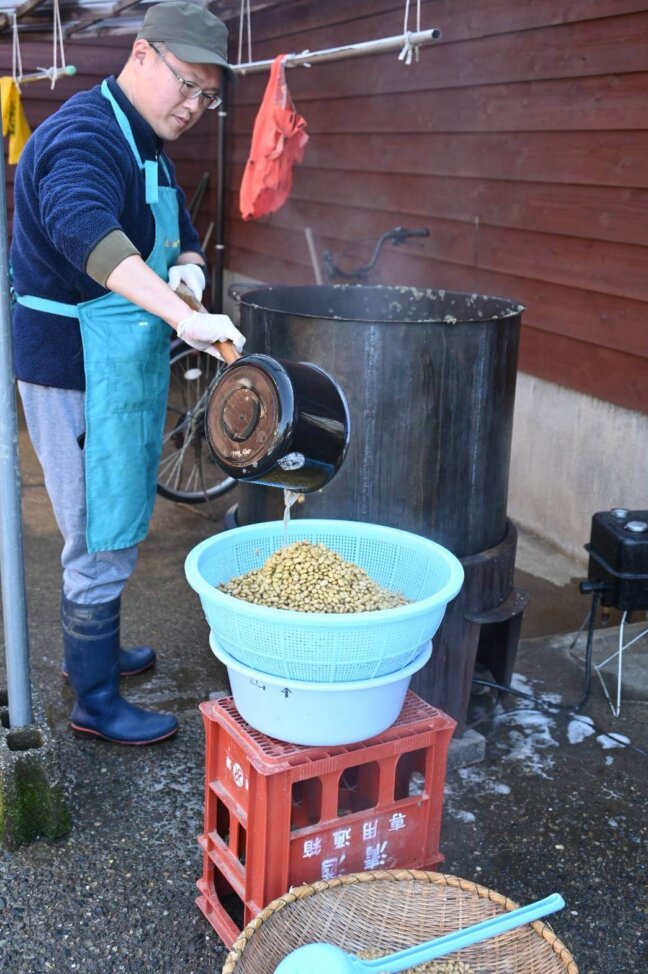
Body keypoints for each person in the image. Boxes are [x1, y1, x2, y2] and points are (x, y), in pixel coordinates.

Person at [10, 1, 245, 746]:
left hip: (120, 362)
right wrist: (183, 320)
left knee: (110, 509)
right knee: (94, 525)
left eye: (207, 97)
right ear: (142, 54)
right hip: (76, 364)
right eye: (186, 84)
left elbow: (175, 232)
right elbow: (89, 233)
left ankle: (97, 656)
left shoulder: (147, 143)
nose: (193, 105)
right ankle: (95, 703)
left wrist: (190, 272)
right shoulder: (83, 135)